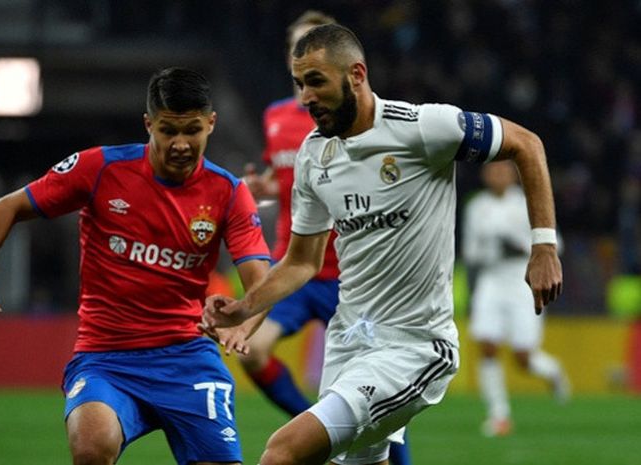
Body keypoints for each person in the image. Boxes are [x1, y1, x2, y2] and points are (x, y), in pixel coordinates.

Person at [201, 23, 563, 465]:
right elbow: (301, 261)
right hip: (349, 342)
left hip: (413, 346)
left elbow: (527, 144)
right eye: (299, 84)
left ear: (356, 74)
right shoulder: (315, 155)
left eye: (316, 81)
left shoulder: (423, 128)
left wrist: (543, 246)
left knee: (283, 453)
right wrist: (245, 307)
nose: (306, 97)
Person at [0, 67, 271, 465]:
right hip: (106, 357)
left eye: (193, 130)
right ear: (148, 123)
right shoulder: (99, 169)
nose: (181, 144)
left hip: (187, 356)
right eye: (168, 130)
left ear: (211, 124)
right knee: (91, 446)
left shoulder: (229, 192)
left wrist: (243, 322)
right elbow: (7, 206)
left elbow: (260, 281)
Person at [242, 10, 413, 465]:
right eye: (294, 48)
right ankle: (314, 425)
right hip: (298, 267)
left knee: (379, 393)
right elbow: (288, 176)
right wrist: (265, 188)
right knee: (253, 352)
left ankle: (333, 432)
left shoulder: (358, 116)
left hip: (352, 276)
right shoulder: (275, 115)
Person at [462, 161, 570, 437]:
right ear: (485, 174)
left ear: (513, 175)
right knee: (487, 344)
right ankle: (499, 415)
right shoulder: (476, 207)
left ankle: (552, 371)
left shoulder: (528, 202)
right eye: (492, 170)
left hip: (523, 281)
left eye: (503, 170)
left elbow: (557, 242)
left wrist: (520, 247)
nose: (497, 175)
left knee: (523, 357)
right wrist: (495, 252)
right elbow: (470, 252)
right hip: (491, 280)